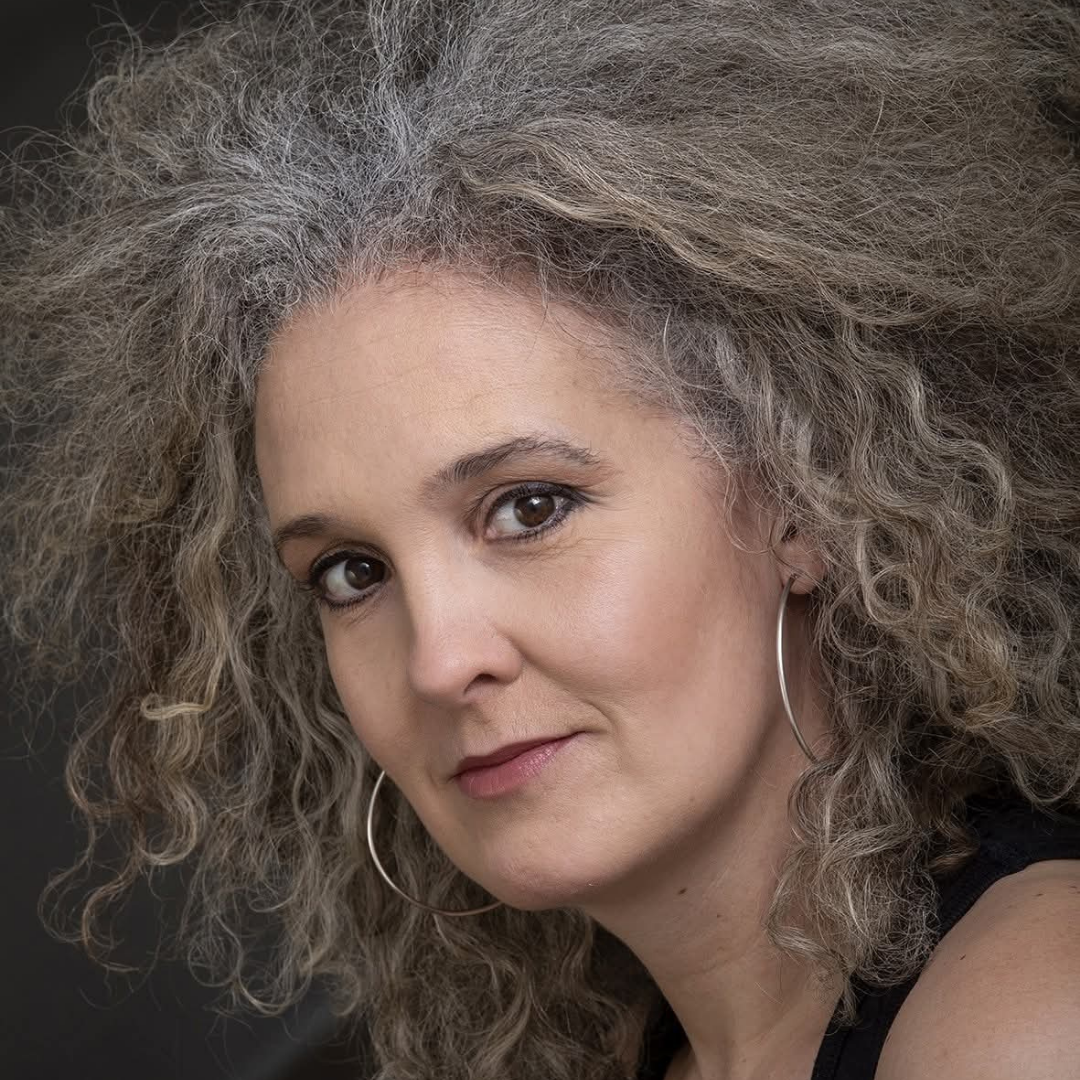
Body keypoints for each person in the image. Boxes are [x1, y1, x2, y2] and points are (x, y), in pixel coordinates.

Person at [2, 1, 1080, 1077]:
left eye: (529, 508)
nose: (438, 661)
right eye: (352, 573)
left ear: (804, 497)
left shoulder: (1027, 1021)